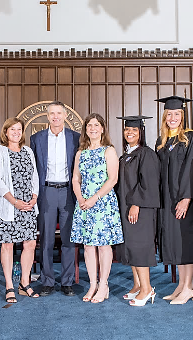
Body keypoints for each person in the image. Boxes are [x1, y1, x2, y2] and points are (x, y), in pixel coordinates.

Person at [71, 113, 123, 304]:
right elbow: (75, 179)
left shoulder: (108, 151)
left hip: (102, 203)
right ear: (85, 130)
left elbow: (113, 179)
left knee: (103, 245)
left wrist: (94, 198)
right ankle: (92, 284)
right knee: (88, 245)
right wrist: (80, 197)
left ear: (102, 128)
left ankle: (103, 284)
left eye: (96, 125)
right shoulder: (80, 153)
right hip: (84, 203)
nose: (92, 128)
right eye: (89, 126)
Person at [30, 101, 80, 296]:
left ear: (65, 115)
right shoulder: (37, 138)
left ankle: (67, 282)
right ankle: (48, 281)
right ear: (47, 116)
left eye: (59, 113)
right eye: (52, 113)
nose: (56, 116)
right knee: (47, 239)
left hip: (68, 192)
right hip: (47, 192)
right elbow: (34, 170)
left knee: (68, 239)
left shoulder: (76, 138)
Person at [155, 95, 193, 305]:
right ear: (165, 116)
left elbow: (192, 168)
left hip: (183, 199)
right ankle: (181, 285)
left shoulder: (190, 138)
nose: (172, 117)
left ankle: (189, 287)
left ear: (183, 116)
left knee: (186, 242)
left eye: (177, 114)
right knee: (175, 242)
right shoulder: (162, 141)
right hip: (167, 199)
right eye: (169, 114)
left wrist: (186, 197)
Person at [0, 118, 40, 303]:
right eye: (12, 129)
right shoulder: (0, 150)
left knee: (30, 244)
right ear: (5, 132)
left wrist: (34, 197)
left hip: (28, 206)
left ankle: (24, 283)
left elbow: (35, 175)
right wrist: (14, 201)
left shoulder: (28, 151)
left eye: (19, 129)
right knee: (8, 245)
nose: (16, 132)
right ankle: (9, 286)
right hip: (9, 207)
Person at [115, 116, 161, 306]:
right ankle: (137, 285)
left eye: (134, 130)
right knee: (131, 247)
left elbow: (148, 183)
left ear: (141, 132)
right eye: (127, 130)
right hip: (127, 207)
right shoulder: (125, 155)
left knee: (140, 247)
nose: (130, 133)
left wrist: (137, 204)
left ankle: (147, 289)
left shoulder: (146, 154)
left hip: (140, 209)